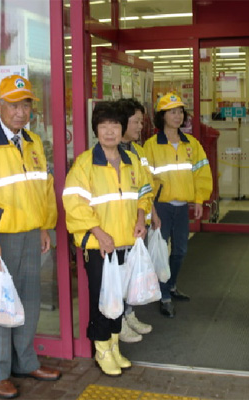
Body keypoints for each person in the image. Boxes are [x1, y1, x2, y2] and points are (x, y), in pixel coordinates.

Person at [0, 75, 61, 399]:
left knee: (29, 302)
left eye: (26, 104)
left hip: (31, 234)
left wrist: (45, 225)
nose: (20, 111)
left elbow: (44, 190)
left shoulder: (32, 142)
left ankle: (25, 361)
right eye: (14, 104)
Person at [62, 101, 153, 376]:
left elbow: (145, 193)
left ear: (122, 128)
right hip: (99, 246)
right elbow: (74, 203)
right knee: (103, 300)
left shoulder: (132, 160)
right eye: (104, 126)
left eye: (115, 125)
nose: (110, 131)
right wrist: (99, 234)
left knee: (119, 298)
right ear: (96, 131)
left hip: (126, 242)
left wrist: (141, 218)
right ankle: (102, 349)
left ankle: (114, 345)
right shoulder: (85, 164)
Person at [143, 93, 213, 318]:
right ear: (162, 116)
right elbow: (145, 180)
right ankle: (163, 295)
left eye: (180, 111)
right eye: (172, 111)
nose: (177, 115)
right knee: (161, 251)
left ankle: (171, 285)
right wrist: (151, 210)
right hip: (161, 207)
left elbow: (202, 174)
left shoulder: (191, 144)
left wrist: (200, 199)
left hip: (182, 206)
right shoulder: (151, 146)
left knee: (180, 250)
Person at [115, 98, 160, 343]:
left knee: (132, 273)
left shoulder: (137, 151)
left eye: (141, 121)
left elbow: (146, 187)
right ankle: (119, 319)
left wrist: (153, 214)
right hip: (121, 225)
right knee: (121, 274)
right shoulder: (113, 152)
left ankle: (129, 313)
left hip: (139, 221)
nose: (140, 126)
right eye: (136, 121)